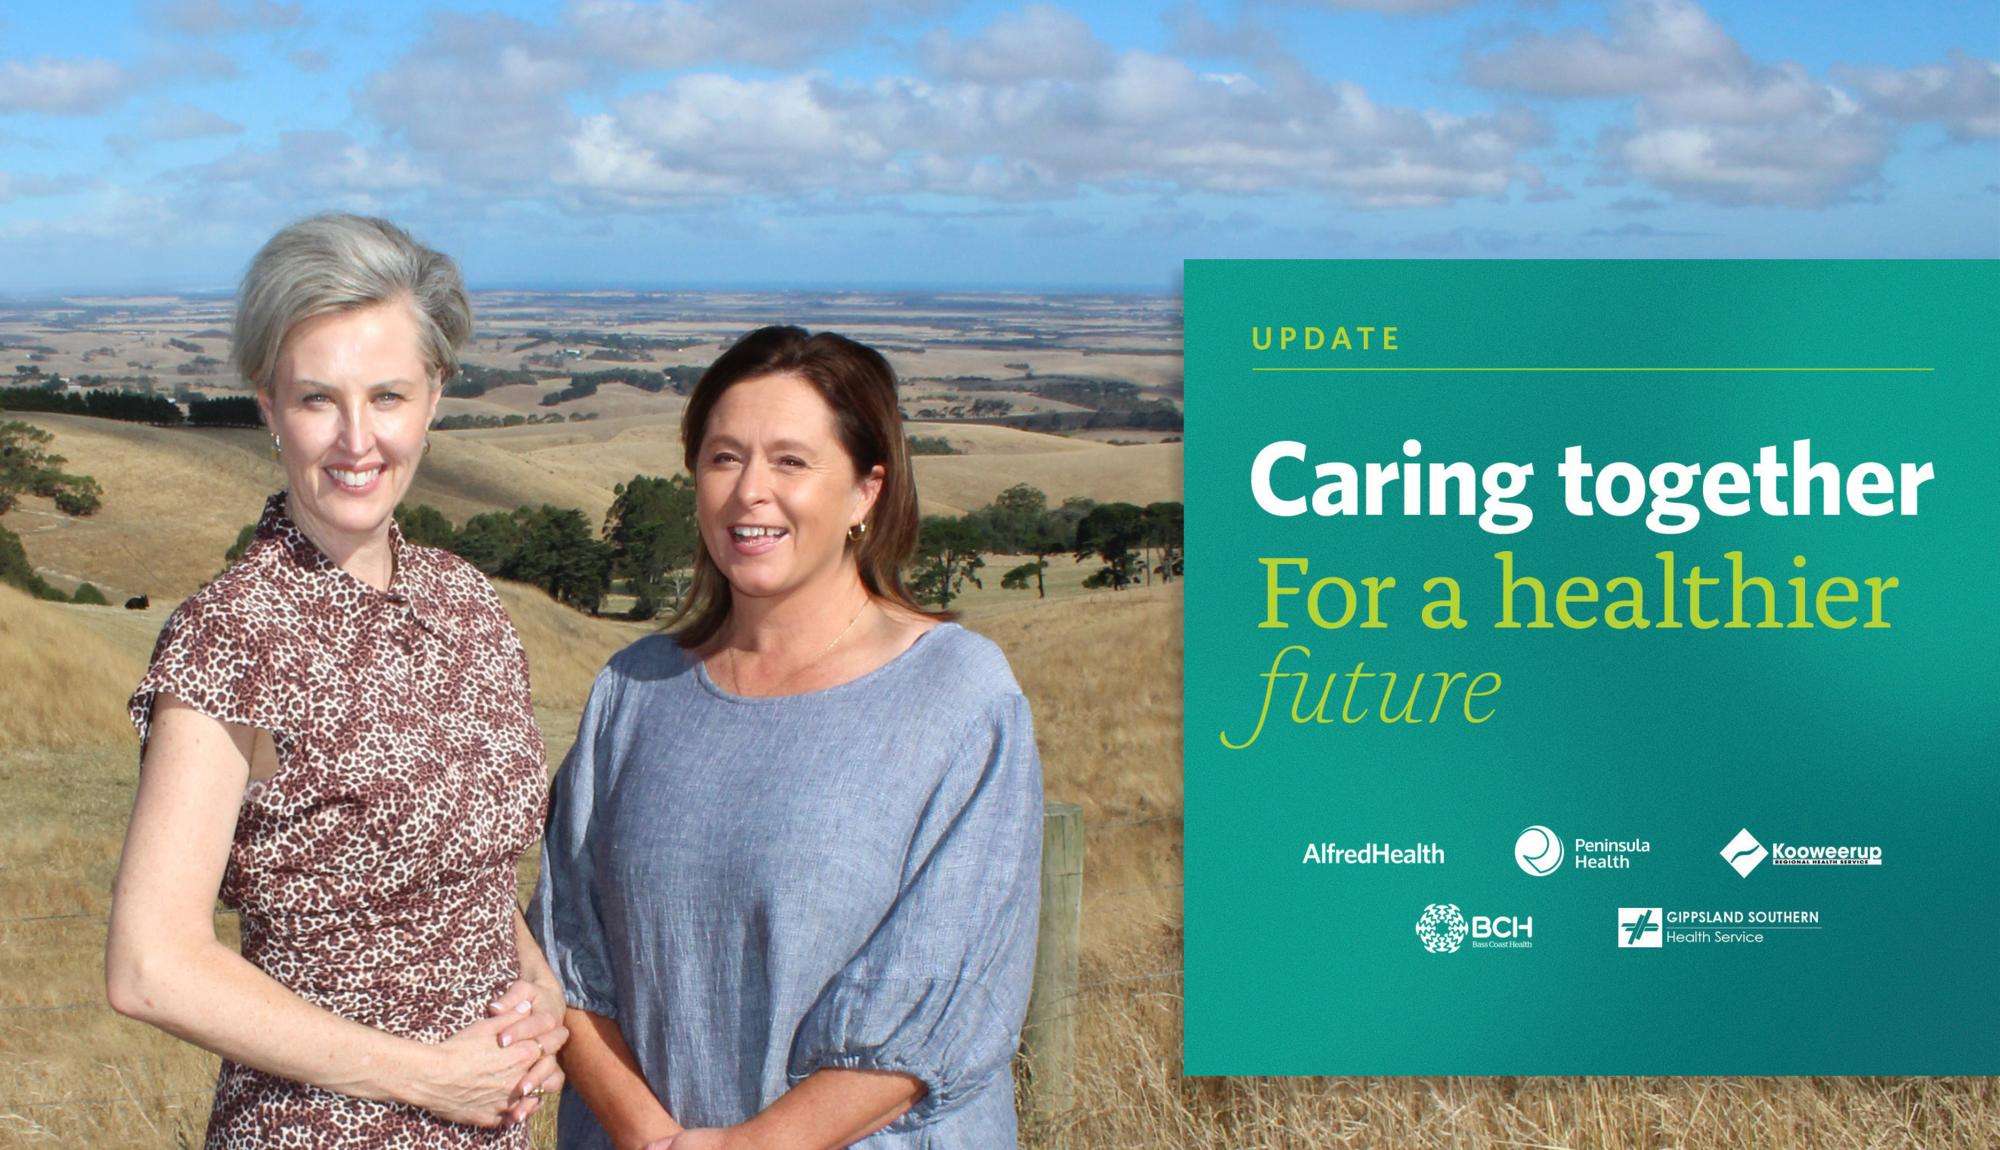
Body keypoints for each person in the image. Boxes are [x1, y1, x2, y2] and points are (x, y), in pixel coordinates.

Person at [106, 214, 569, 1146]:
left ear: (434, 397)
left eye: (388, 396)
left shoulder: (469, 607)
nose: (358, 440)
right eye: (319, 399)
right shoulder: (233, 635)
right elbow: (151, 964)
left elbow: (467, 882)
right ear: (269, 407)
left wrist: (539, 994)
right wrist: (431, 1077)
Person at [531, 326, 1043, 1149]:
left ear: (865, 492)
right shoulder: (633, 692)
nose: (749, 493)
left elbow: (942, 996)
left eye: (791, 462)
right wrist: (651, 1135)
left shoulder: (959, 696)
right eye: (724, 457)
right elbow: (565, 954)